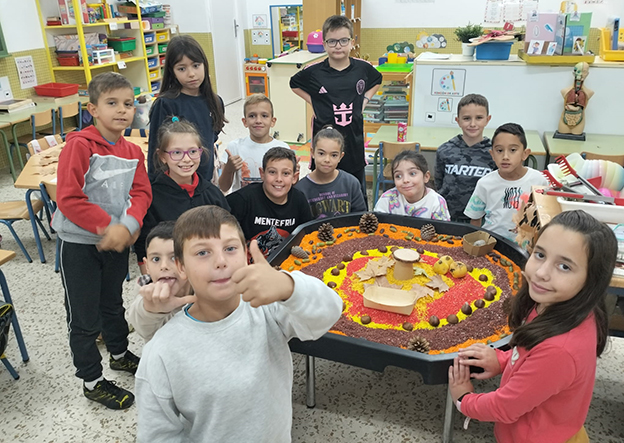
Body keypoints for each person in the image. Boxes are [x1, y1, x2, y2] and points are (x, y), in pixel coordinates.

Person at [135, 205, 342, 442]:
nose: (221, 261)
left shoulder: (267, 309)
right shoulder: (162, 351)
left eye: (230, 248)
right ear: (181, 267)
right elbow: (157, 435)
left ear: (245, 254)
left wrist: (287, 286)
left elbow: (329, 312)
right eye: (203, 253)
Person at [449, 210, 618, 443]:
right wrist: (502, 360)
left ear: (592, 280)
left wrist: (463, 399)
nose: (541, 273)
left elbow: (504, 407)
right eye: (539, 254)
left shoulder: (560, 350)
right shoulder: (552, 303)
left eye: (564, 267)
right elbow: (532, 362)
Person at [52, 72, 152, 409]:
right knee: (84, 317)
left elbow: (141, 192)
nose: (122, 110)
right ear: (92, 108)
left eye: (127, 104)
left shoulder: (132, 151)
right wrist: (110, 226)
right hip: (79, 245)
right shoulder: (79, 145)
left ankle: (120, 354)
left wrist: (129, 223)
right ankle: (92, 381)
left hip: (115, 242)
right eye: (112, 103)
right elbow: (68, 197)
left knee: (112, 303)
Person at [290, 14, 383, 202]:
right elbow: (294, 84)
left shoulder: (362, 68)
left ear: (351, 42)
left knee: (355, 191)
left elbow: (377, 79)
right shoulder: (313, 71)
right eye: (332, 41)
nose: (338, 46)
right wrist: (314, 102)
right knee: (324, 191)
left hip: (353, 141)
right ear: (324, 44)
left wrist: (364, 100)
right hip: (324, 141)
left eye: (343, 40)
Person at [136, 117, 229, 273]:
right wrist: (151, 282)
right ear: (162, 156)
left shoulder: (213, 194)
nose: (186, 159)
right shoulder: (151, 197)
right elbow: (143, 246)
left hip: (210, 272)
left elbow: (227, 234)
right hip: (170, 275)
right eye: (177, 153)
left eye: (193, 151)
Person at [147, 35, 227, 182]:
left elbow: (212, 137)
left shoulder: (215, 101)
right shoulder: (165, 104)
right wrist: (154, 189)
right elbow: (155, 150)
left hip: (205, 182)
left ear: (204, 65)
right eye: (182, 68)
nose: (191, 74)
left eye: (196, 65)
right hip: (174, 185)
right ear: (173, 72)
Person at [464, 123, 547, 242]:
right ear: (492, 154)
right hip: (491, 245)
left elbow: (545, 218)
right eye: (499, 150)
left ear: (525, 154)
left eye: (513, 150)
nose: (505, 156)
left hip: (525, 247)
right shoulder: (485, 183)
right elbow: (475, 219)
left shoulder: (539, 181)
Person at [226, 147, 313, 256]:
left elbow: (308, 235)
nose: (279, 179)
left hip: (285, 265)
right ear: (262, 174)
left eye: (286, 173)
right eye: (272, 172)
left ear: (294, 177)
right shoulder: (242, 199)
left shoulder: (299, 200)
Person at [128, 221, 195, 342]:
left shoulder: (204, 288)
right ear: (146, 265)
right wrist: (151, 310)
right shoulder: (146, 291)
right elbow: (143, 328)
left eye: (174, 257)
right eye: (156, 259)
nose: (164, 266)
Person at [434, 93, 496, 222]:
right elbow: (438, 184)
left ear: (487, 119)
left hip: (482, 220)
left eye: (479, 118)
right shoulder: (444, 150)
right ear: (458, 121)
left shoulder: (494, 153)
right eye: (467, 118)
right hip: (448, 217)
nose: (473, 124)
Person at [218, 94, 289, 193]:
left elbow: (289, 186)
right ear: (245, 122)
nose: (258, 121)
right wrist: (229, 169)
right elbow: (223, 187)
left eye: (264, 116)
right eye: (252, 116)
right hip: (243, 205)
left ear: (273, 121)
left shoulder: (283, 148)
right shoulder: (234, 147)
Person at [295, 126, 367, 218]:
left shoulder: (351, 183)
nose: (327, 159)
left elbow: (360, 217)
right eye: (321, 153)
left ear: (341, 157)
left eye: (333, 155)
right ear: (312, 153)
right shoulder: (301, 189)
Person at [374, 150, 450, 220]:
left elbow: (443, 232)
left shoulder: (437, 202)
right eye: (398, 176)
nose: (405, 180)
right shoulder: (387, 199)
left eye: (412, 174)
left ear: (426, 177)